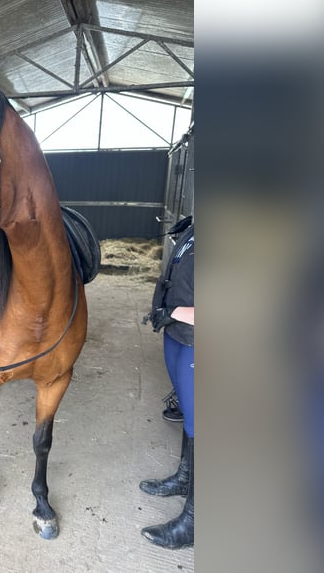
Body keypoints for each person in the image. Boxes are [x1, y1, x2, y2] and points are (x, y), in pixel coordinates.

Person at [140, 216, 194, 549]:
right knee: (191, 419)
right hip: (178, 336)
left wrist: (172, 312)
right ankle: (185, 477)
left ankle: (194, 522)